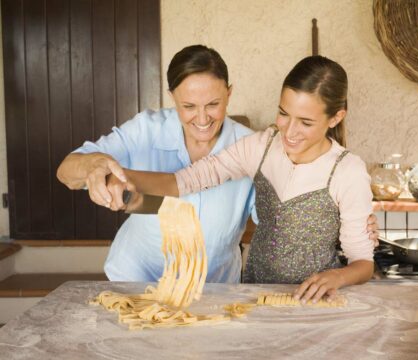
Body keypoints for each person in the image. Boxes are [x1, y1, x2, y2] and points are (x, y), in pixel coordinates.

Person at [57, 45, 379, 285]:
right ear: (172, 97)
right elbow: (180, 181)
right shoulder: (150, 129)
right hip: (139, 278)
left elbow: (278, 219)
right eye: (188, 106)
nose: (202, 118)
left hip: (216, 289)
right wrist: (107, 169)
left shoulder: (255, 147)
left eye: (213, 104)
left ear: (229, 94)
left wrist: (343, 227)